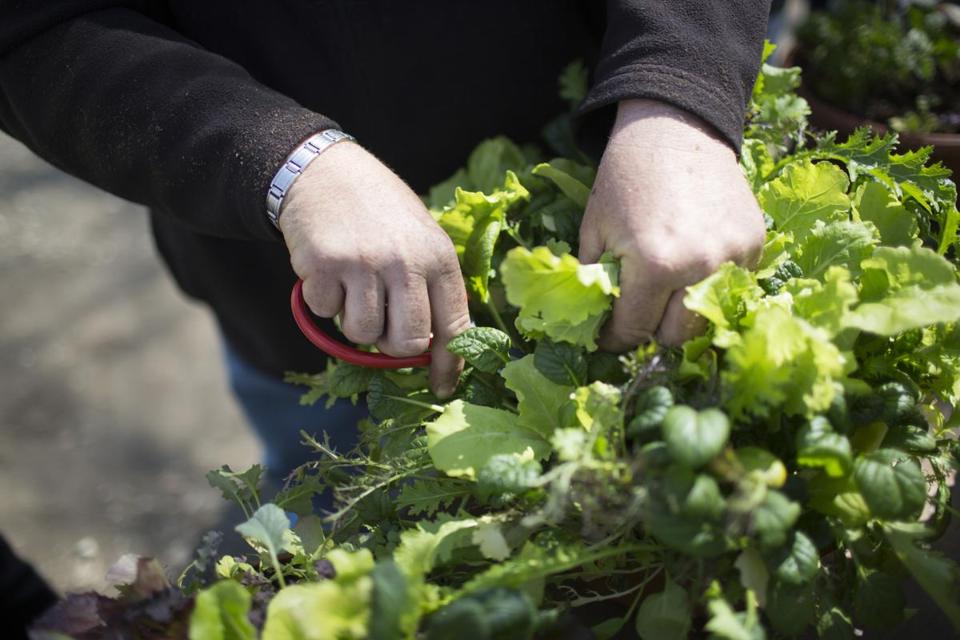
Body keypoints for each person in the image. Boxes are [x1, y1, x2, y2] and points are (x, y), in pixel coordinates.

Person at [0, 1, 769, 629]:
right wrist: (283, 160)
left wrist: (678, 90)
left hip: (623, 189)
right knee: (342, 492)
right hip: (288, 286)